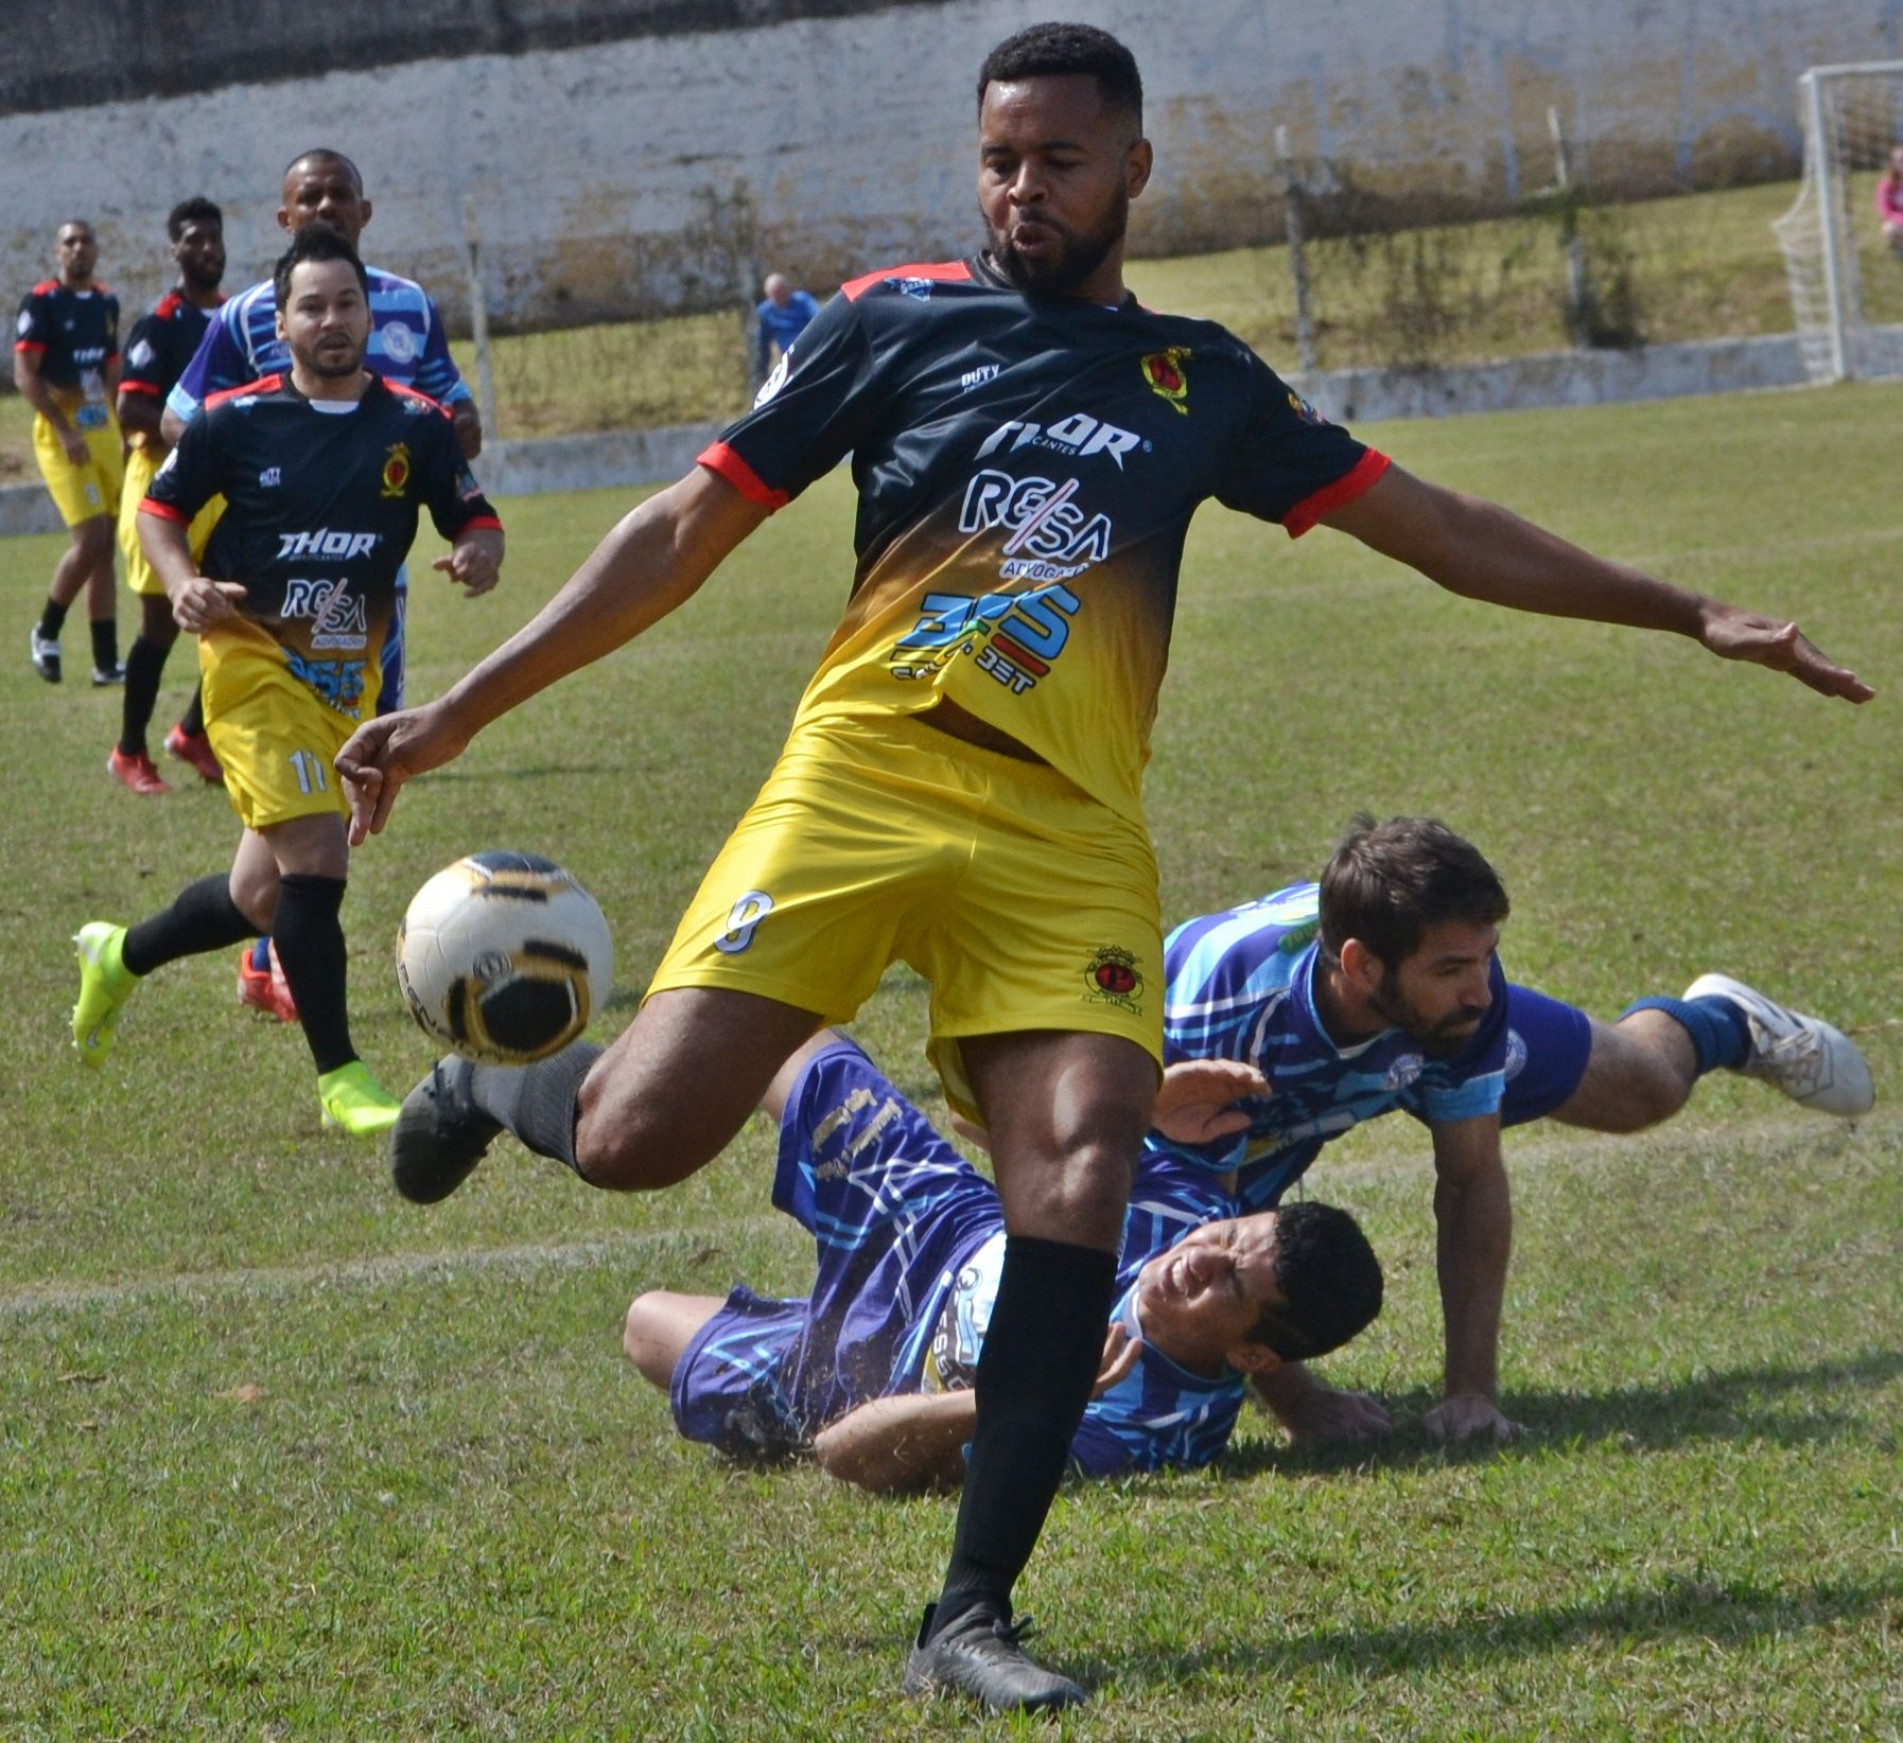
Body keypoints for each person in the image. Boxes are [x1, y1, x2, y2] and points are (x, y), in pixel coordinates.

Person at [336, 23, 1867, 1714]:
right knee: (636, 1139)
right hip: (857, 780)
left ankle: (969, 1611)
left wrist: (1683, 609)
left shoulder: (1198, 385)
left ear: (1131, 170)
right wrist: (463, 706)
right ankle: (502, 1082)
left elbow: (1436, 528)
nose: (1020, 190)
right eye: (997, 158)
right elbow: (678, 532)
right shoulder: (889, 323)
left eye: (1057, 160)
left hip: (1065, 835)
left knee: (1071, 1180)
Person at [1148, 815, 1875, 1448]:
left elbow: (1468, 1176)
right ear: (1360, 964)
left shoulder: (1460, 997)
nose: (1484, 988)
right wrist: (1299, 1400)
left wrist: (1470, 1391)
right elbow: (1204, 1236)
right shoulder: (1220, 1016)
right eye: (1456, 965)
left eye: (1487, 954)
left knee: (1644, 1087)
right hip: (1190, 1124)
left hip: (1398, 1027)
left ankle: (1725, 1020)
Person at [70, 226, 504, 1136]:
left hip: (345, 683)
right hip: (247, 662)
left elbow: (474, 515)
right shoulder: (235, 420)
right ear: (281, 322)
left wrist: (476, 551)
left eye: (347, 303)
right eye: (312, 306)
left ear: (367, 314)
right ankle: (343, 1078)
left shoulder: (412, 428)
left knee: (261, 896)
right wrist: (184, 581)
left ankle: (118, 955)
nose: (332, 320)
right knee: (317, 857)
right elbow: (159, 510)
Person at [622, 1031, 1383, 1490]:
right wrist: (1133, 1109)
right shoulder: (1191, 1207)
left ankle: (809, 1326)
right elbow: (975, 1114)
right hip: (943, 1226)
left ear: (1251, 1348)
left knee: (644, 1324)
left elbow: (841, 1453)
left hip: (873, 1370)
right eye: (1223, 1237)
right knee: (777, 1031)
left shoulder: (1136, 1433)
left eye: (1230, 1280)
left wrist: (1027, 1397)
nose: (1197, 1257)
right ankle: (554, 1079)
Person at [160, 148, 483, 1019]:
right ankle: (284, 967)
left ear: (365, 211)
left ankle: (230, 940)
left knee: (348, 770)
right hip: (270, 588)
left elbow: (452, 410)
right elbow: (183, 423)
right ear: (283, 215)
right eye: (309, 197)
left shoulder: (409, 304)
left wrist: (437, 446)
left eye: (340, 194)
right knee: (307, 801)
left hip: (367, 588)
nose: (325, 207)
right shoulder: (242, 316)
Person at [108, 197, 229, 796]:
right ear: (176, 250)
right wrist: (198, 431)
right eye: (194, 238)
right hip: (163, 490)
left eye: (215, 236)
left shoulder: (238, 317)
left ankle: (192, 734)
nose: (208, 246)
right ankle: (129, 751)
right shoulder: (160, 321)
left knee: (243, 609)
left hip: (222, 492)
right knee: (160, 625)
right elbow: (129, 404)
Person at [15, 219, 123, 687]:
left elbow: (113, 370)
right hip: (64, 437)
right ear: (58, 253)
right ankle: (46, 630)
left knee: (106, 549)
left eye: (85, 241)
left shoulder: (105, 302)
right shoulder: (42, 302)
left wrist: (121, 426)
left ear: (96, 250)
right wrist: (63, 429)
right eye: (69, 242)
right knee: (91, 538)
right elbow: (25, 374)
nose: (79, 248)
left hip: (103, 432)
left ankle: (104, 662)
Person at [754, 272, 819, 389]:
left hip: (812, 351)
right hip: (791, 360)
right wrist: (763, 369)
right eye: (775, 294)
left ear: (787, 289)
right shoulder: (765, 312)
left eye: (781, 291)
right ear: (768, 295)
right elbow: (763, 343)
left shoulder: (802, 301)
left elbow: (819, 319)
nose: (779, 297)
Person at [1877, 145, 1903, 256]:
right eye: (1901, 160)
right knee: (1889, 229)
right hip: (1899, 222)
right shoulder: (1887, 185)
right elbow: (1885, 211)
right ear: (1894, 164)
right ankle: (1900, 248)